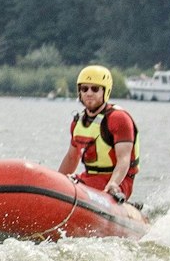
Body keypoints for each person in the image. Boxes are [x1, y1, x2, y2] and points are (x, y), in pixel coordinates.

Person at [58, 64, 139, 201]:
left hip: (119, 180)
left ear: (105, 91)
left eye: (95, 89)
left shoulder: (118, 119)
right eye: (84, 89)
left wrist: (113, 183)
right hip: (90, 178)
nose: (89, 93)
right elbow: (72, 157)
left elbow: (123, 159)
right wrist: (57, 182)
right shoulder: (78, 122)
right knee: (67, 183)